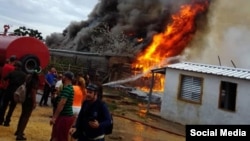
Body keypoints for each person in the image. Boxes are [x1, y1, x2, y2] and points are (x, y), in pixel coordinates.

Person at [15, 67, 41, 140]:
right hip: (30, 100)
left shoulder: (28, 77)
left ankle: (18, 130)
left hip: (25, 98)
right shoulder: (35, 80)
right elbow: (33, 92)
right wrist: (34, 102)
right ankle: (20, 135)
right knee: (26, 117)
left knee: (23, 115)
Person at [50, 71, 75, 141]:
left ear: (66, 78)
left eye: (63, 76)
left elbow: (62, 103)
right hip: (64, 116)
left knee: (60, 137)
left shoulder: (67, 89)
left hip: (65, 117)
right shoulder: (68, 88)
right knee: (56, 136)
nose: (62, 78)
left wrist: (54, 117)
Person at [0, 61, 26, 126]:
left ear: (16, 66)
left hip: (9, 90)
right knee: (12, 108)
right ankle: (7, 121)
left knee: (4, 106)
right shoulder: (24, 75)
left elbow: (4, 78)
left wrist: (4, 85)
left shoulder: (12, 73)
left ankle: (0, 120)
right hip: (17, 92)